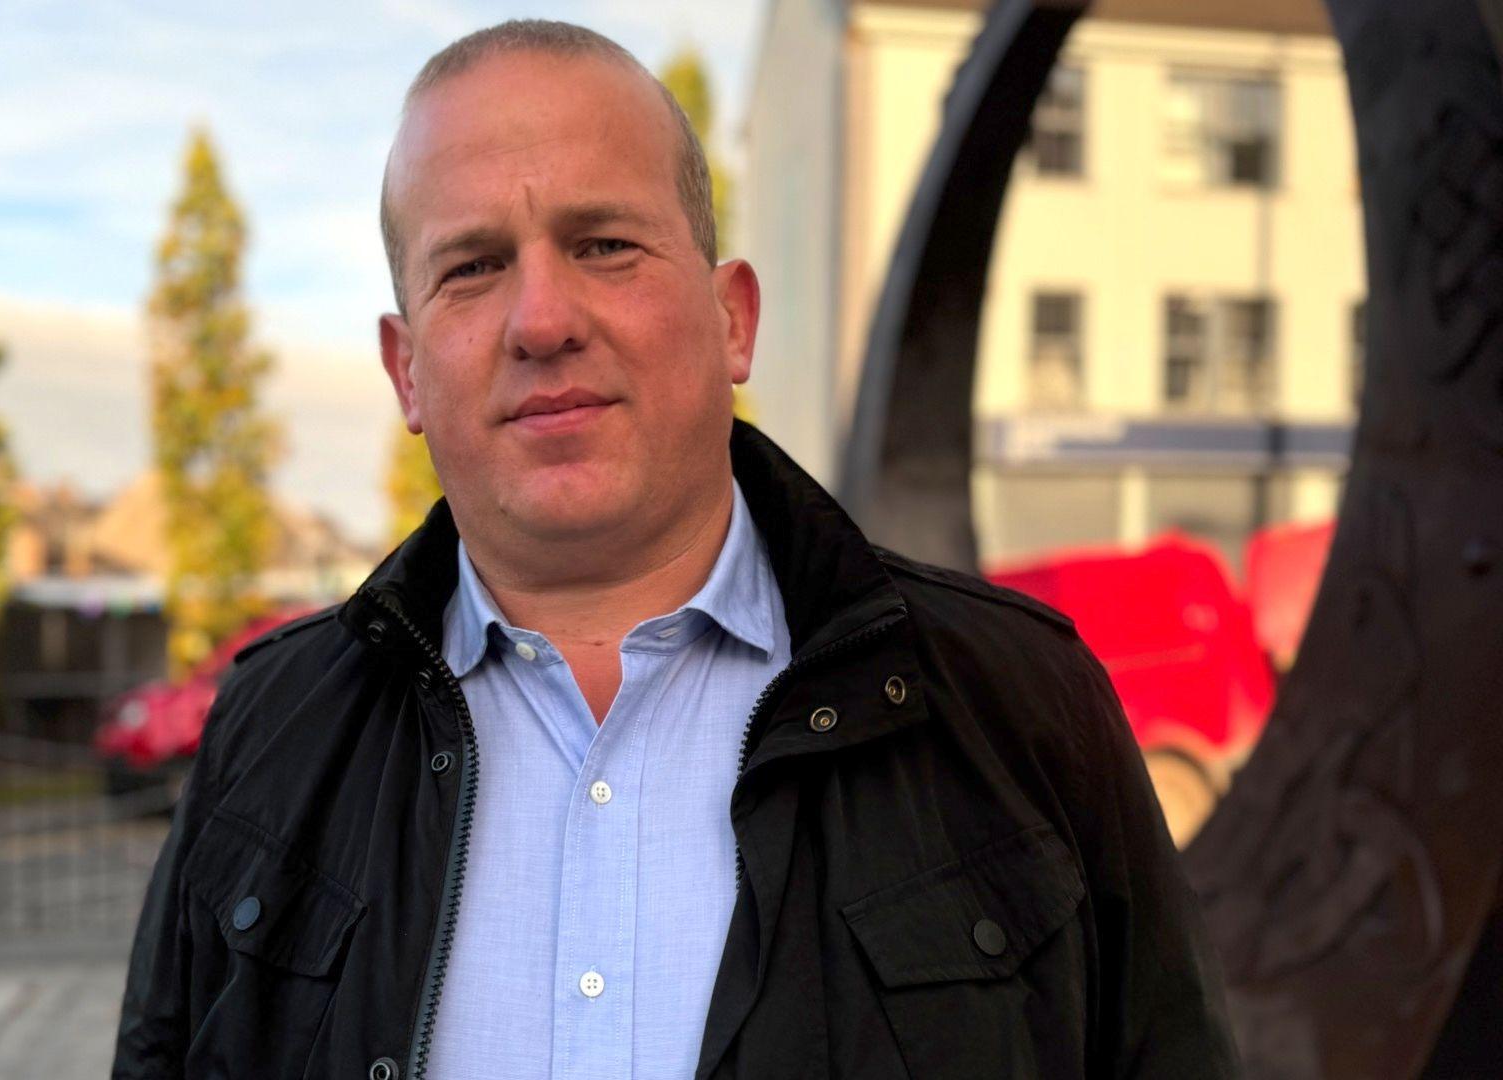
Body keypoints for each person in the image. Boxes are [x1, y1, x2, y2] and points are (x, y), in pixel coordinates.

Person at [114, 18, 1237, 1080]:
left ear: (733, 319)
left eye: (604, 245)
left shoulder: (1021, 707)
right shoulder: (269, 739)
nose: (542, 319)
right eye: (472, 267)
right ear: (406, 369)